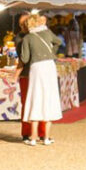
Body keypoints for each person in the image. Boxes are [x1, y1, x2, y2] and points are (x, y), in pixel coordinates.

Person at [19, 13, 63, 144]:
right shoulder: (47, 32)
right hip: (49, 66)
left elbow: (25, 58)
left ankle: (33, 137)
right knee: (49, 98)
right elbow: (58, 42)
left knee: (35, 97)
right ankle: (46, 138)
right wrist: (51, 52)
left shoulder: (27, 38)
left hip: (36, 67)